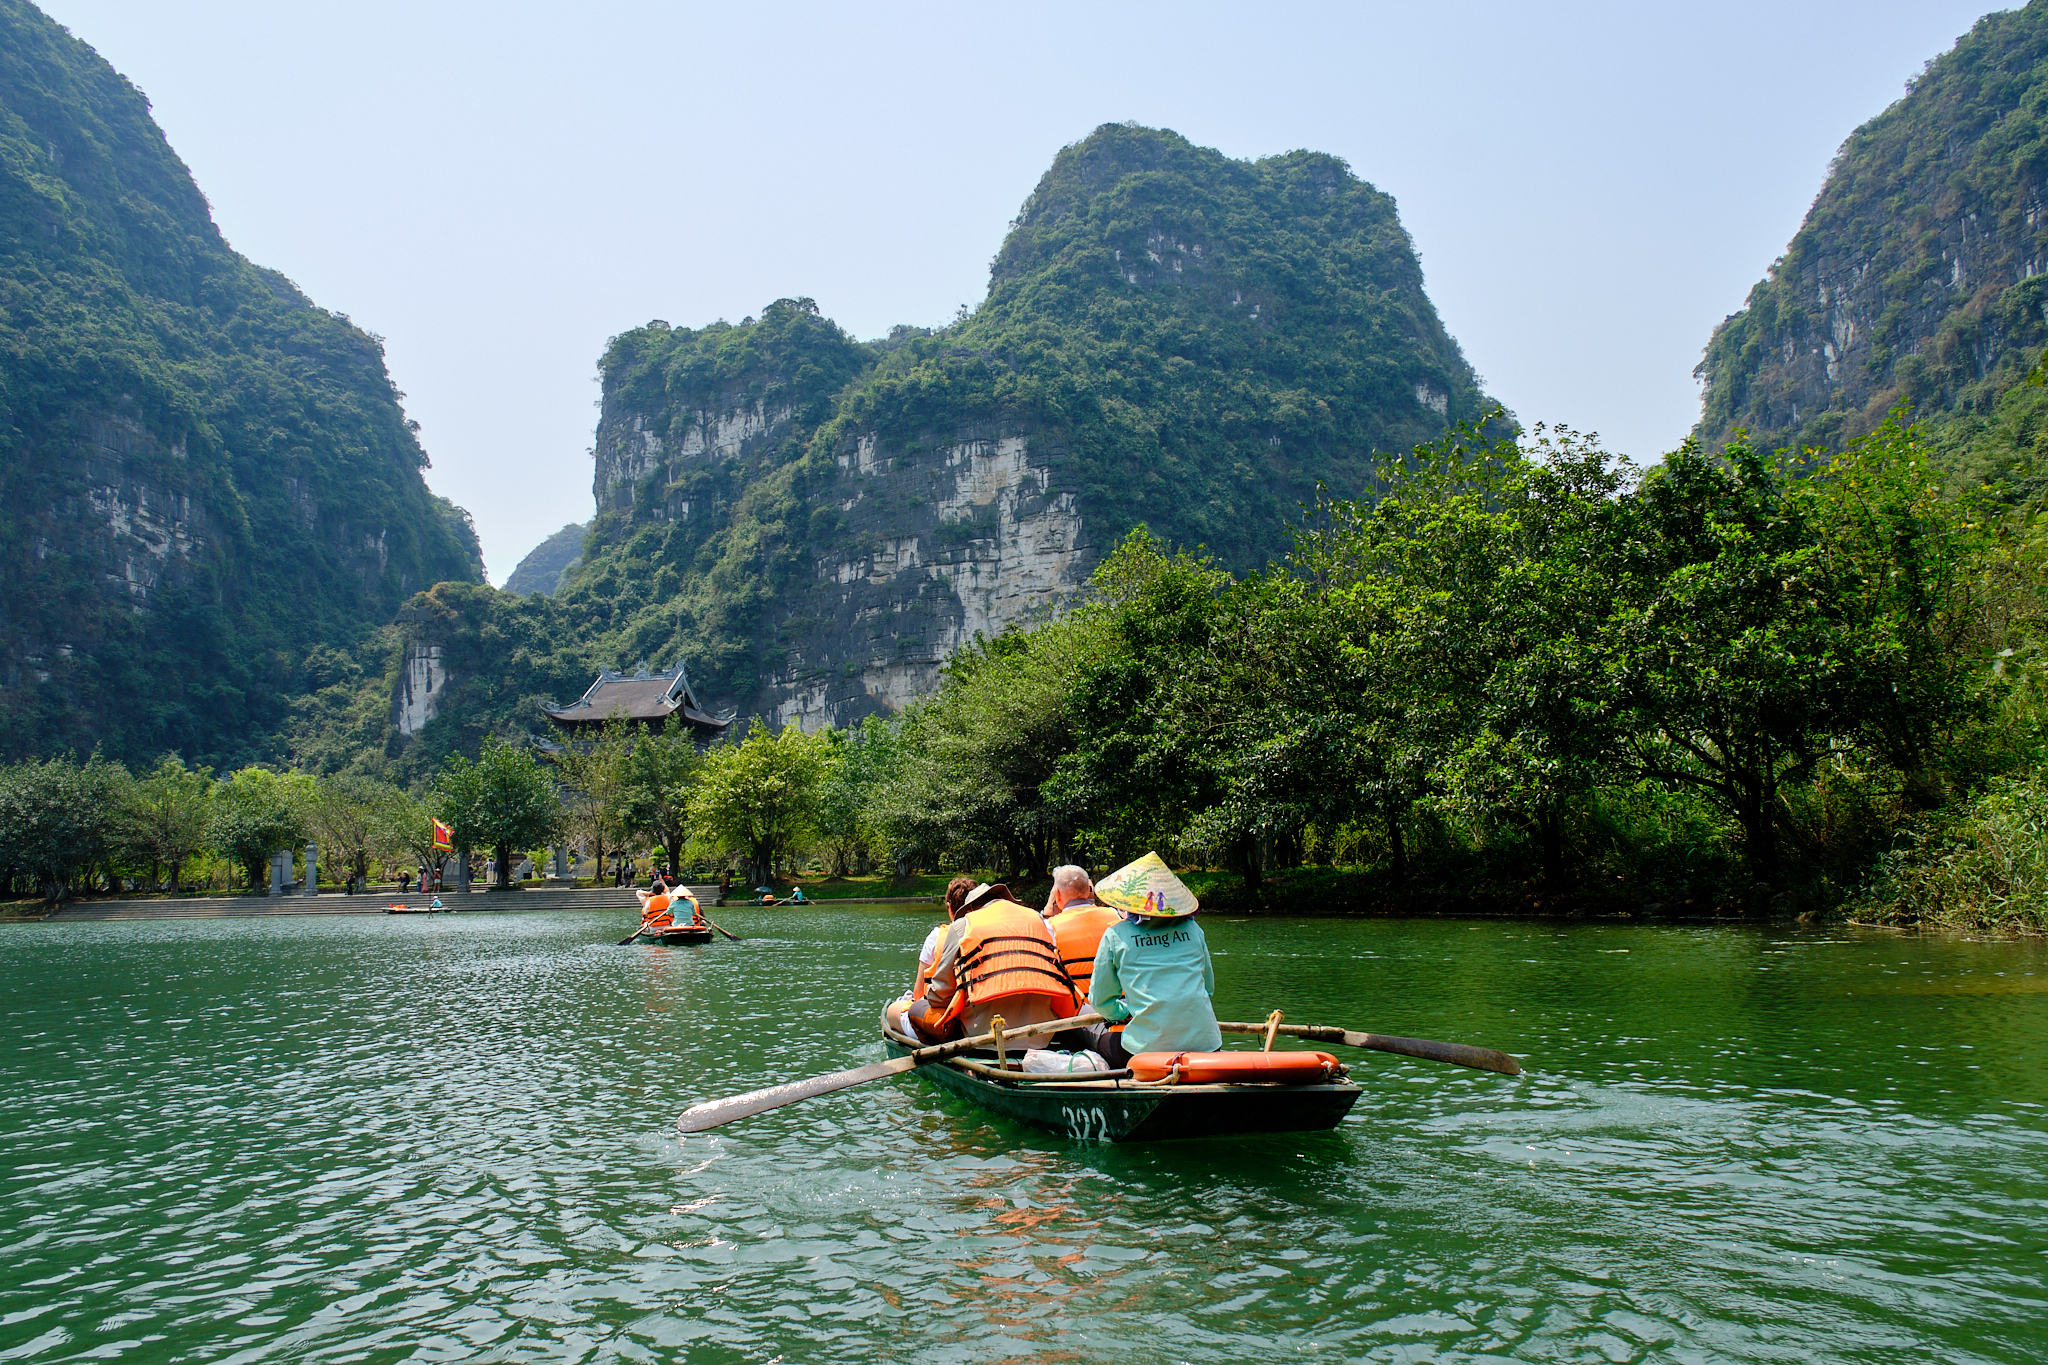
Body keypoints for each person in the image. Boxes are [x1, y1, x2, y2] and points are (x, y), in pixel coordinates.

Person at [1088, 852, 1220, 1067]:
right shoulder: (1193, 929)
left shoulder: (1116, 935)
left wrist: (1123, 1011)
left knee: (1105, 1042)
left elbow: (1100, 1000)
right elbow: (1208, 988)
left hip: (1147, 1050)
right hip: (1207, 1045)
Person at [908, 880, 1078, 1045]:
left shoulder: (963, 926)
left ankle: (942, 1055)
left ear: (971, 909)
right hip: (1041, 1037)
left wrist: (930, 995)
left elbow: (940, 996)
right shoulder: (1039, 920)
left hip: (983, 1040)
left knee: (915, 1010)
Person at [1043, 864, 1124, 1057]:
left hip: (1080, 1016)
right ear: (1089, 890)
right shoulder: (1115, 916)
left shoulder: (1050, 928)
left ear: (1057, 895)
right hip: (1122, 1009)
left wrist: (1048, 909)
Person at [885, 877, 975, 1040]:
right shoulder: (985, 937)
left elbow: (919, 992)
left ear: (949, 908)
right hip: (976, 1018)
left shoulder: (936, 937)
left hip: (941, 1021)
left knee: (891, 1011)